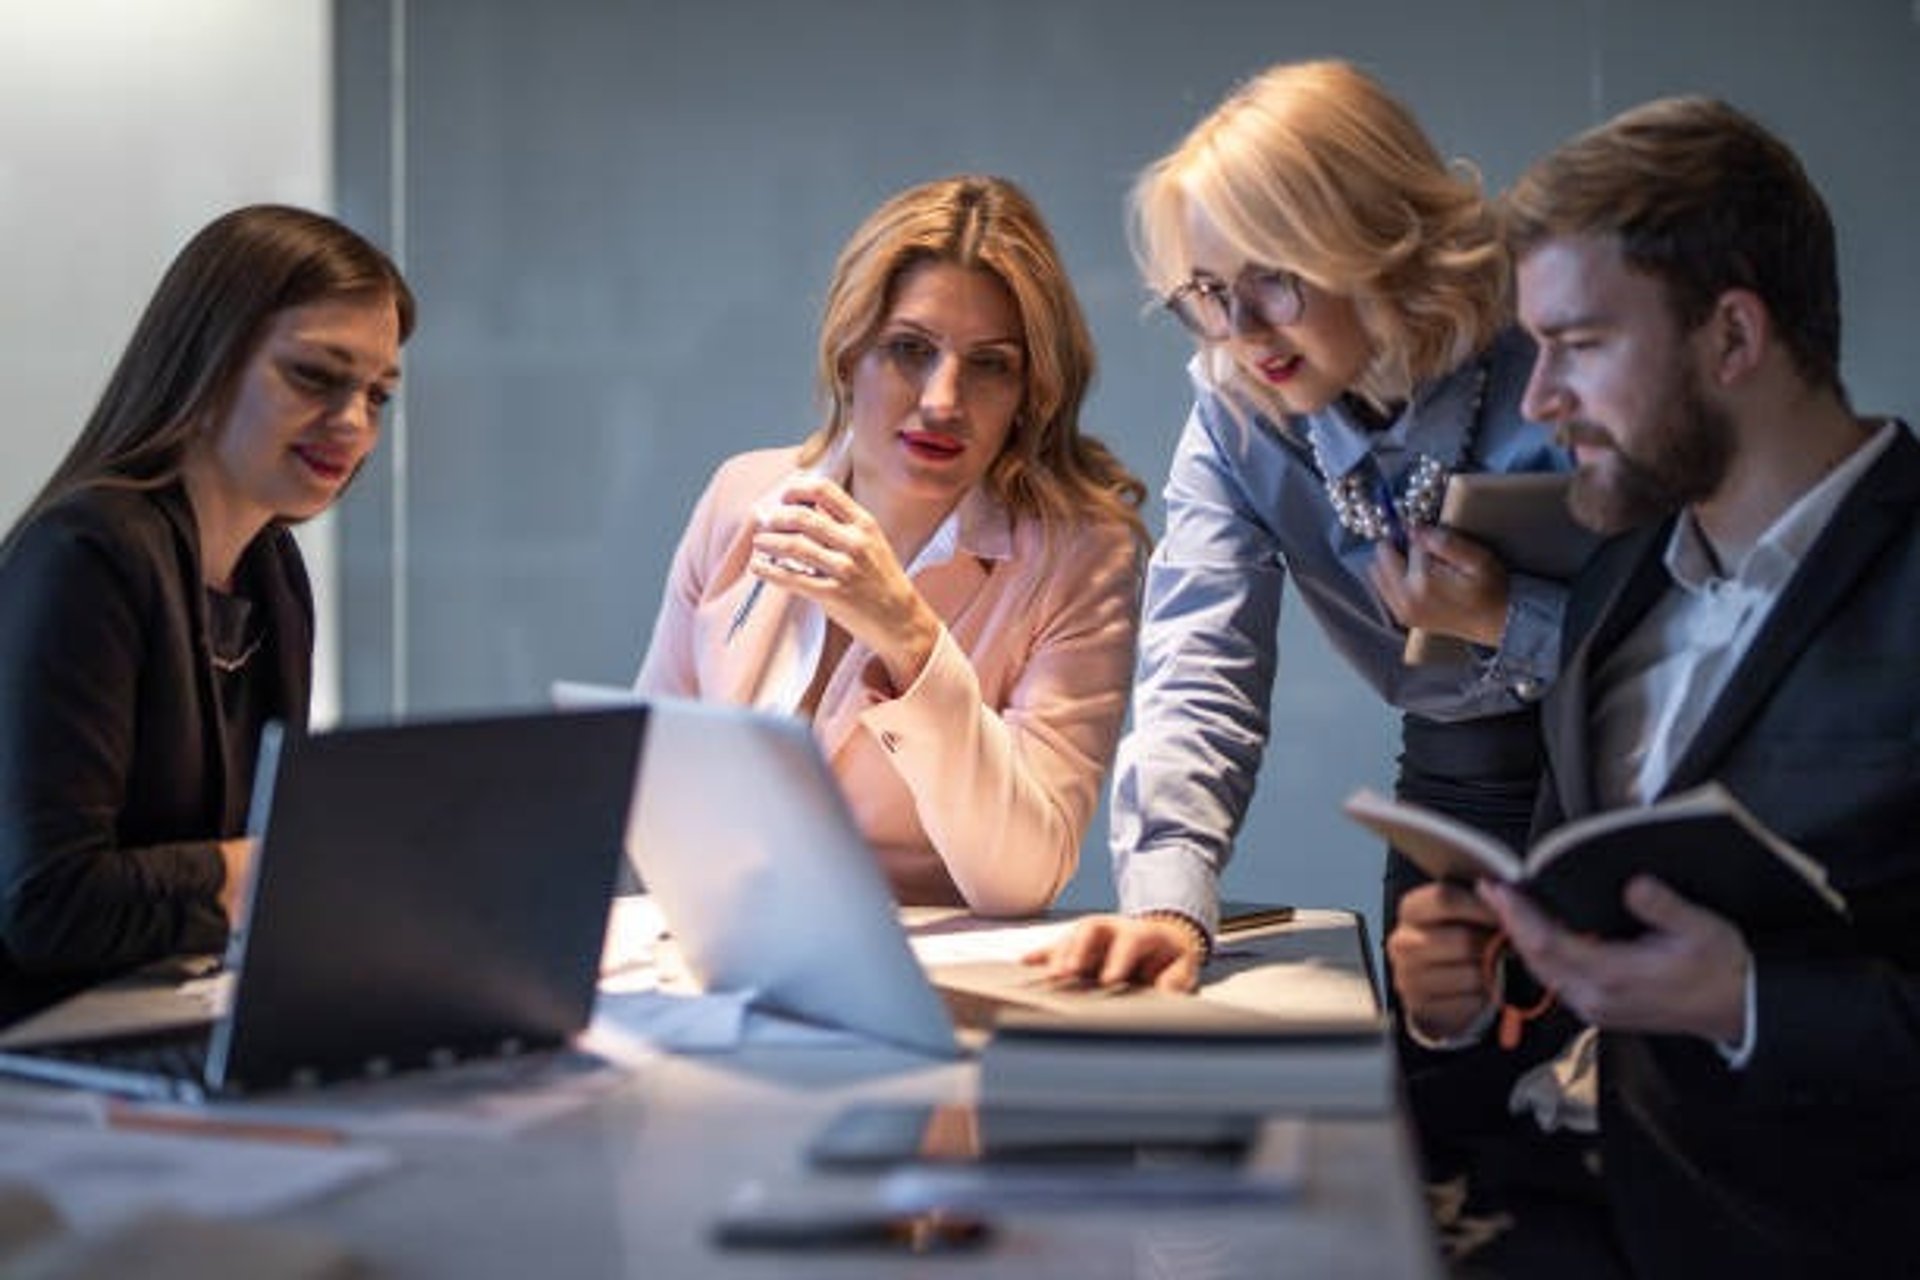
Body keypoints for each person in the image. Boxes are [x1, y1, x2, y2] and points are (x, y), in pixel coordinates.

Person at [1390, 96, 1920, 1277]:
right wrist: (1469, 983)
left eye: (1577, 345)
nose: (1536, 403)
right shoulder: (1615, 574)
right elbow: (1567, 931)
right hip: (1565, 1197)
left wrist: (1749, 1002)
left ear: (1732, 338)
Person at [1030, 59, 1577, 1194]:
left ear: (1376, 238)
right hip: (1457, 786)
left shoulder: (1555, 349)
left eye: (1272, 281)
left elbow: (1701, 634)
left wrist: (1502, 615)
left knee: (1637, 1134)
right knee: (1455, 1137)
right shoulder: (1232, 407)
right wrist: (1175, 901)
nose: (1241, 330)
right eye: (1204, 293)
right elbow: (1199, 657)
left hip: (1636, 775)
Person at [635, 175, 1147, 916]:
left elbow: (1024, 877)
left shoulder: (1079, 557)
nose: (943, 400)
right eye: (910, 349)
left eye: (991, 364)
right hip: (726, 947)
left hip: (932, 983)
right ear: (849, 354)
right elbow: (651, 778)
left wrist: (907, 636)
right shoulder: (743, 496)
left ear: (1031, 391)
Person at [0, 205, 413, 1023]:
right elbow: (48, 901)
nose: (354, 423)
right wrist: (270, 868)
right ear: (207, 361)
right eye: (314, 376)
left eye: (378, 394)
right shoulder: (86, 553)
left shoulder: (270, 567)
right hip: (42, 1067)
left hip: (169, 1018)